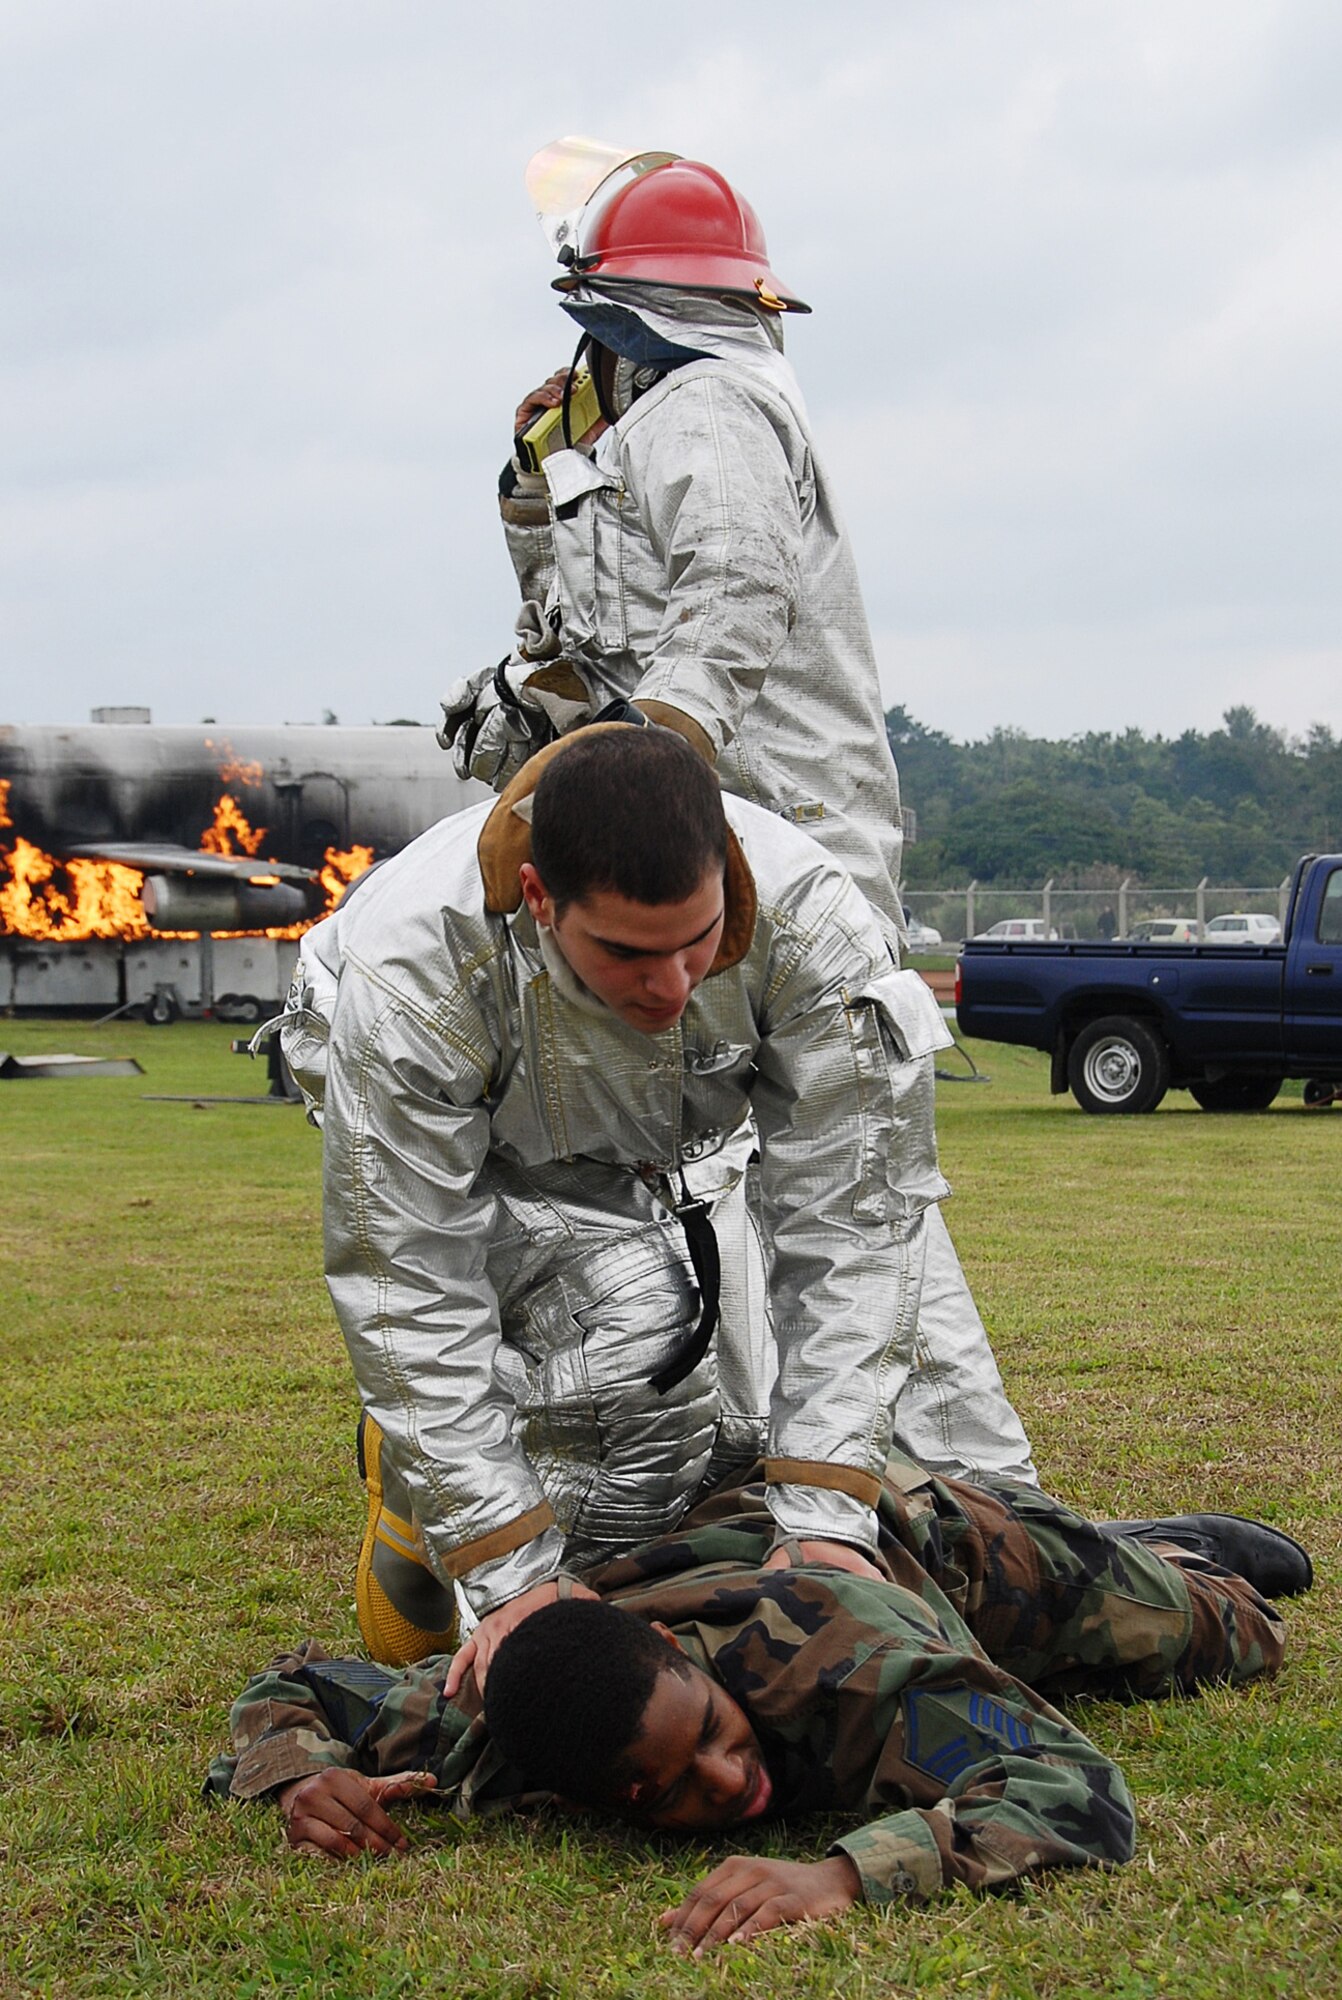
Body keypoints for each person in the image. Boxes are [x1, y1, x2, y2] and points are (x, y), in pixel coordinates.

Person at [440, 141, 1036, 1490]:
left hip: (772, 864)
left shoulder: (704, 413)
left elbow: (728, 598)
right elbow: (582, 655)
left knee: (847, 1196)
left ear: (603, 305)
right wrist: (531, 510)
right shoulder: (637, 440)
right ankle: (816, 1475)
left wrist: (648, 779)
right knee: (733, 1183)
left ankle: (977, 1505)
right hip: (710, 867)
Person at [283, 725, 967, 1677]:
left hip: (660, 1131)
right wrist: (511, 1577)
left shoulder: (815, 931)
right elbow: (407, 1277)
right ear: (538, 899)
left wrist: (826, 1522)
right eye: (626, 954)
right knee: (640, 1376)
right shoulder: (413, 980)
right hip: (479, 1120)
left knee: (738, 1439)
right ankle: (421, 1506)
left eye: (696, 944)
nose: (670, 985)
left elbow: (853, 1224)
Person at [208, 1450, 1304, 1954]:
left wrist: (841, 1871)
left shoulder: (841, 1659)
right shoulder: (490, 1720)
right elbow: (296, 1685)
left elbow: (1074, 1786)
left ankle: (1151, 1545)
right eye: (664, 1790)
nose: (730, 1782)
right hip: (726, 1543)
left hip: (943, 1552)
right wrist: (305, 1773)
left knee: (1242, 1628)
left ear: (683, 1663)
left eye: (715, 1736)